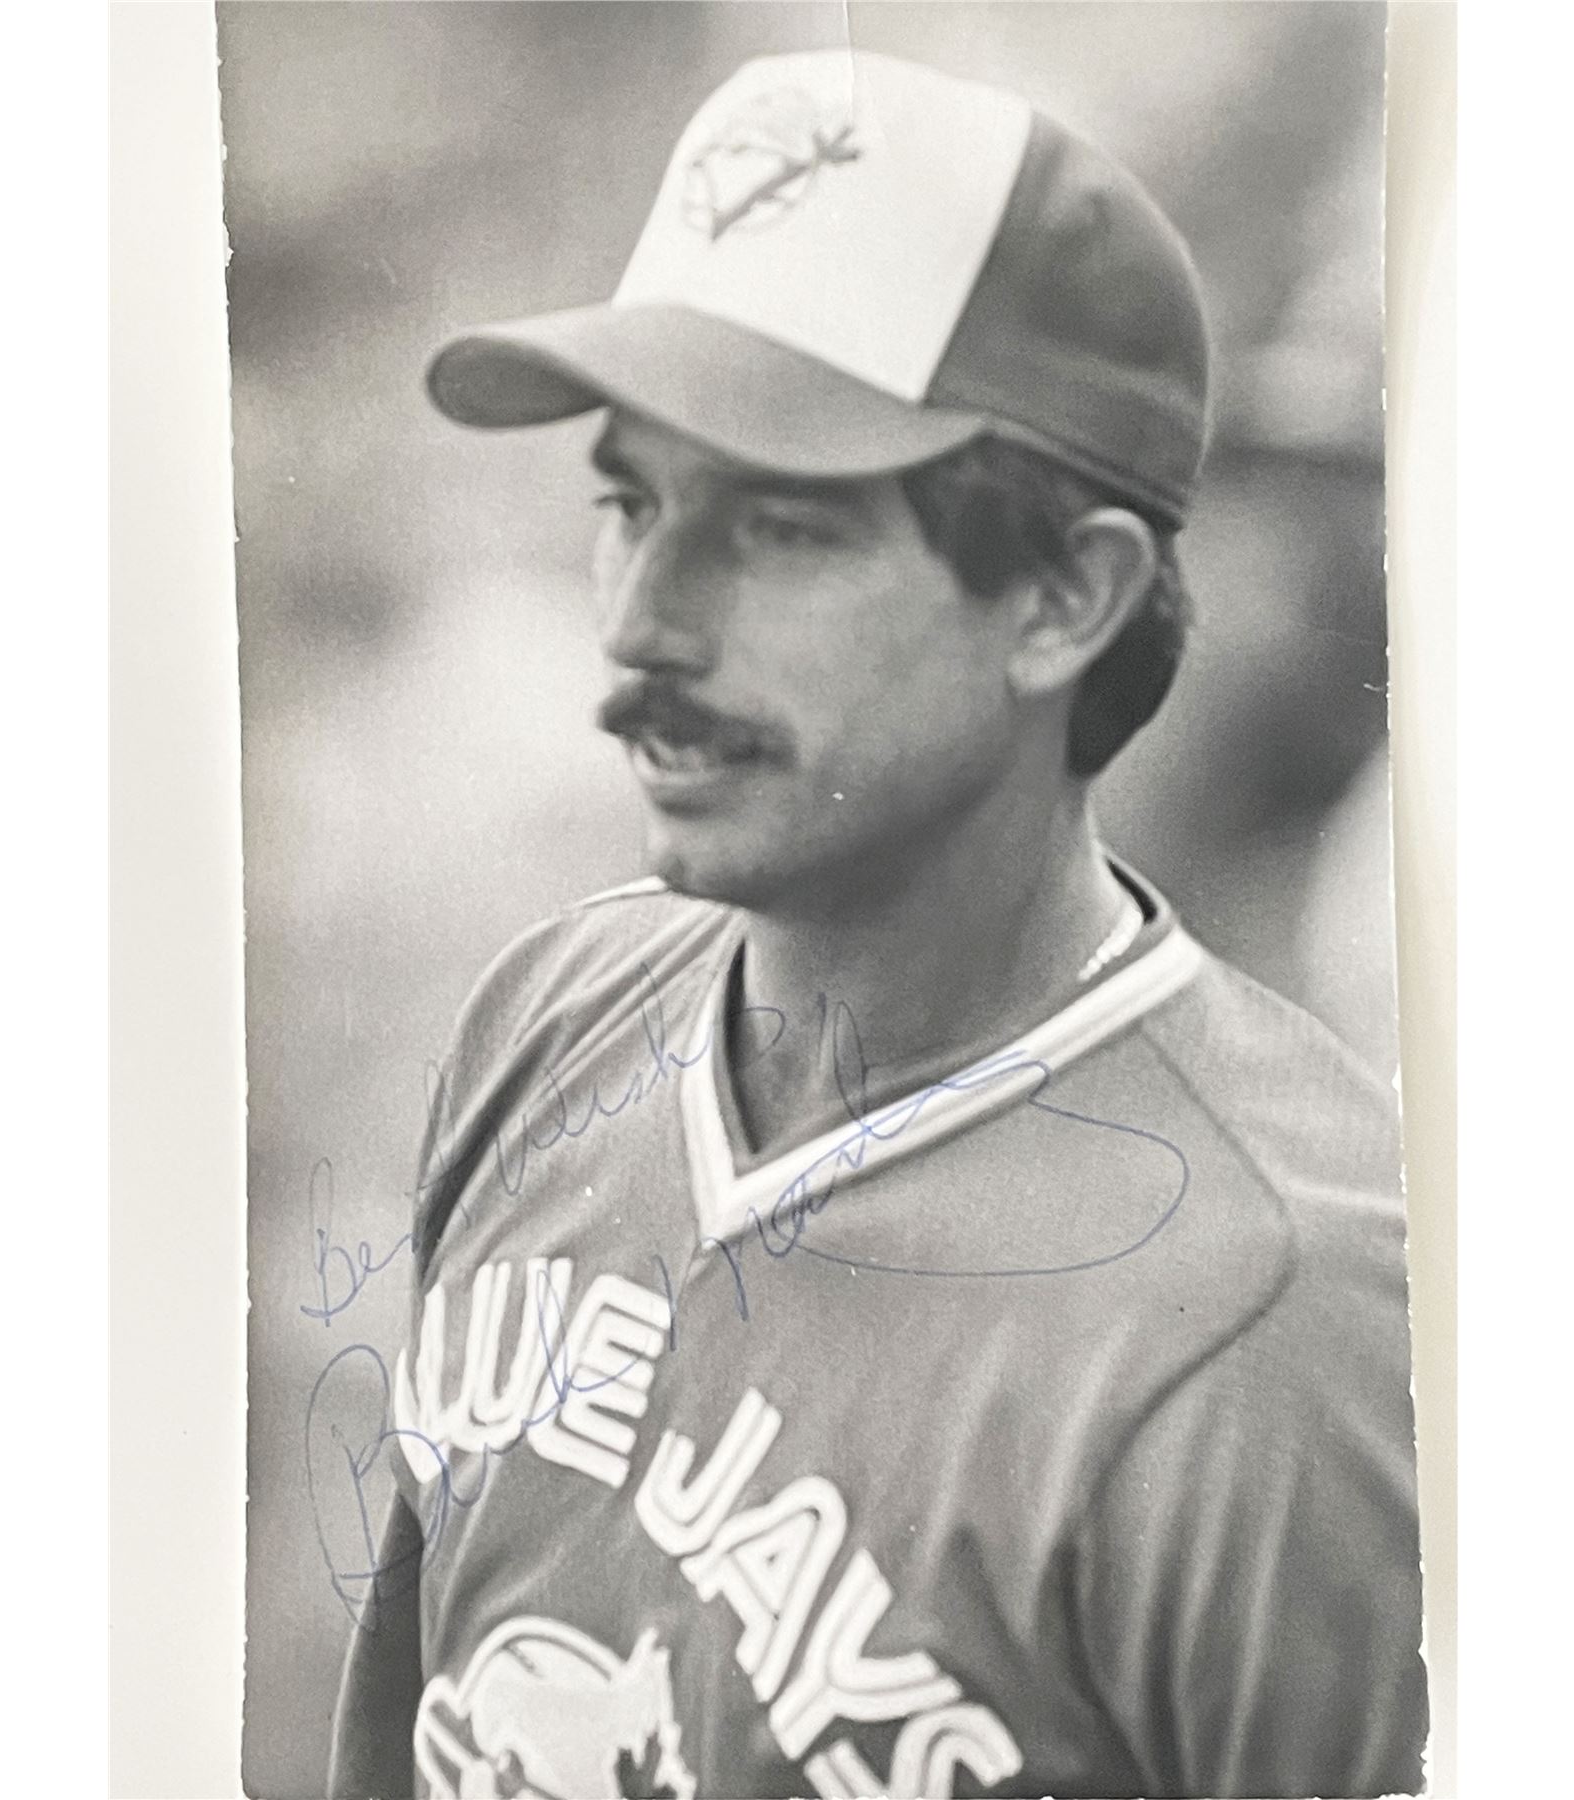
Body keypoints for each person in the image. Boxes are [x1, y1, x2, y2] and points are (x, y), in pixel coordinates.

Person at [328, 49, 1427, 1800]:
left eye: (779, 529)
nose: (644, 623)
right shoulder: (552, 1013)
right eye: (630, 503)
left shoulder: (1303, 1323)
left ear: (1065, 595)